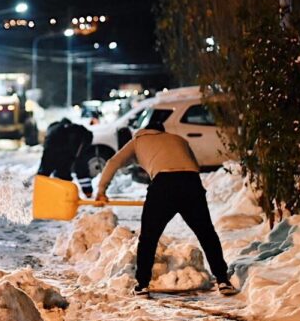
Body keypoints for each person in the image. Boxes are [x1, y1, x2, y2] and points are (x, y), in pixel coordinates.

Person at [95, 121, 236, 297]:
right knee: (206, 233)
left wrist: (101, 191)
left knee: (149, 237)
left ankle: (142, 285)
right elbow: (194, 165)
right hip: (191, 182)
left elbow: (113, 162)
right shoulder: (178, 139)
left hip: (163, 185)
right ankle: (223, 280)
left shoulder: (138, 141)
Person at [37, 118, 94, 197]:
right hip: (65, 148)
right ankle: (70, 193)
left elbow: (45, 164)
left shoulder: (53, 132)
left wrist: (41, 178)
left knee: (60, 171)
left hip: (60, 148)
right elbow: (81, 168)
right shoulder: (76, 131)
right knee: (70, 170)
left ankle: (45, 193)